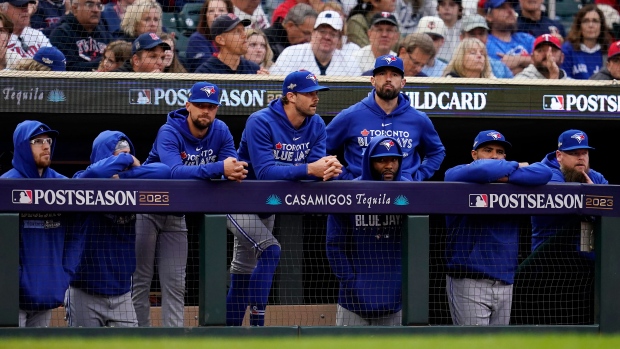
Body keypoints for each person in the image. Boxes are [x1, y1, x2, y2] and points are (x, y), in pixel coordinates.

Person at [227, 70, 342, 326]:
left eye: (317, 93)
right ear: (290, 96)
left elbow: (316, 170)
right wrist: (311, 169)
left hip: (270, 205)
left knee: (243, 271)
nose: (315, 98)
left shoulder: (317, 124)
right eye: (309, 93)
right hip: (240, 200)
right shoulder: (261, 121)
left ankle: (228, 335)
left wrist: (328, 170)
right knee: (271, 250)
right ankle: (258, 330)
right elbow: (266, 172)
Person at [133, 81, 248, 327]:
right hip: (148, 208)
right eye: (200, 105)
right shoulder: (169, 130)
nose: (206, 111)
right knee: (141, 280)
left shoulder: (221, 130)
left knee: (175, 282)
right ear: (188, 106)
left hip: (177, 214)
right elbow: (174, 173)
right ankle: (138, 337)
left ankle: (173, 341)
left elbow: (234, 168)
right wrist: (219, 168)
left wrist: (229, 170)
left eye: (211, 106)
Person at [444, 130, 552, 326]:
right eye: (487, 150)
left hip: (505, 281)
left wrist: (504, 176)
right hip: (469, 280)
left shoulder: (509, 180)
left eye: (500, 152)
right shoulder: (458, 173)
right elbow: (483, 171)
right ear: (474, 154)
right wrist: (514, 167)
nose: (494, 156)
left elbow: (544, 173)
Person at [67, 131, 170, 328]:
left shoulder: (133, 185)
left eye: (128, 157)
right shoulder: (81, 178)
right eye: (119, 158)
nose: (125, 162)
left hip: (122, 294)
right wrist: (127, 160)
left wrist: (123, 174)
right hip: (85, 291)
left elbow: (164, 171)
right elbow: (96, 173)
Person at [519, 130, 607, 325]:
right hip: (549, 271)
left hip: (585, 270)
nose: (581, 157)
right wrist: (594, 200)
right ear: (559, 155)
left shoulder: (594, 176)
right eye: (574, 153)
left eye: (584, 153)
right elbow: (567, 201)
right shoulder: (544, 173)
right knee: (551, 331)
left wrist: (596, 199)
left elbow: (612, 201)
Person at [1, 120, 83, 327]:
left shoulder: (63, 186)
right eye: (37, 141)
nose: (46, 146)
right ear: (22, 146)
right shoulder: (6, 185)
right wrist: (17, 279)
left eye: (48, 140)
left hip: (48, 292)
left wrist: (64, 274)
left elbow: (77, 233)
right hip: (10, 296)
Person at [326, 135, 408, 326]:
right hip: (352, 301)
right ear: (369, 161)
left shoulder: (409, 193)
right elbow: (334, 246)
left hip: (395, 299)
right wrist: (351, 284)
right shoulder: (349, 193)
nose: (389, 165)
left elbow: (417, 248)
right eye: (382, 160)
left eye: (394, 159)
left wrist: (402, 286)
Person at [327, 55, 446, 181]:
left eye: (394, 74)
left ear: (403, 82)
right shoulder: (350, 116)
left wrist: (417, 176)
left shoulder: (419, 119)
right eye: (382, 73)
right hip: (360, 192)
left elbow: (436, 152)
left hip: (403, 192)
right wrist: (343, 175)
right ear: (373, 80)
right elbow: (321, 148)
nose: (388, 79)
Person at [270, 10, 361, 76]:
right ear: (313, 33)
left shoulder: (349, 63)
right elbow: (276, 86)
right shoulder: (290, 54)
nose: (327, 37)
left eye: (333, 34)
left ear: (339, 39)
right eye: (322, 32)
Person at [49, 0, 112, 71]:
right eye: (89, 5)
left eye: (99, 6)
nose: (96, 10)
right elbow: (69, 69)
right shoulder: (61, 34)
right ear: (75, 9)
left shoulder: (105, 34)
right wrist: (105, 61)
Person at [195, 13, 266, 74]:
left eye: (243, 30)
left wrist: (265, 84)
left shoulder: (254, 70)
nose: (244, 35)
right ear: (221, 40)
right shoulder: (205, 72)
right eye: (237, 32)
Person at [484, 0, 534, 76]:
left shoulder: (526, 38)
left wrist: (518, 60)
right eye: (502, 7)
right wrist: (530, 64)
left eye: (511, 6)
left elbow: (546, 62)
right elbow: (499, 75)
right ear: (489, 16)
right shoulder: (486, 43)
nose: (510, 11)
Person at [561, 4, 611, 79]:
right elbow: (564, 80)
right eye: (586, 21)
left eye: (595, 21)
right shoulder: (567, 49)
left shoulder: (608, 50)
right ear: (579, 26)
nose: (591, 25)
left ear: (601, 25)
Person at [1, 0, 51, 69]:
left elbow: (54, 60)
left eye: (26, 5)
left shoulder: (37, 35)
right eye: (19, 6)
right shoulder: (2, 38)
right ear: (2, 9)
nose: (26, 9)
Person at [459, 13, 513, 78]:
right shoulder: (452, 68)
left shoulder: (500, 67)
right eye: (472, 34)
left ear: (487, 37)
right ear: (462, 38)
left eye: (481, 34)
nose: (478, 39)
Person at [186, 0, 233, 72]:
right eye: (211, 11)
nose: (216, 14)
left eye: (221, 10)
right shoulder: (197, 40)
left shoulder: (235, 39)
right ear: (206, 16)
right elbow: (206, 70)